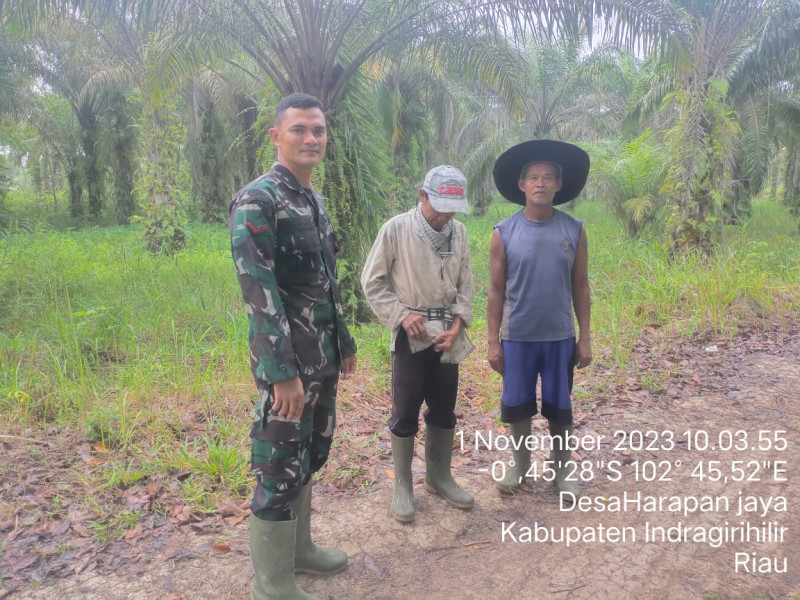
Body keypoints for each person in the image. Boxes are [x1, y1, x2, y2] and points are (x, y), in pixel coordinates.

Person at [229, 92, 357, 599]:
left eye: (319, 130)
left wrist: (344, 342)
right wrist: (282, 373)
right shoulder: (258, 200)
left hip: (321, 358)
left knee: (309, 456)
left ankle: (300, 552)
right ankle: (273, 586)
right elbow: (258, 293)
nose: (311, 139)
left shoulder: (312, 199)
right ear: (276, 135)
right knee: (278, 465)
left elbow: (325, 282)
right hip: (288, 367)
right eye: (300, 129)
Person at [361, 165, 475, 523]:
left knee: (444, 406)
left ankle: (439, 476)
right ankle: (403, 486)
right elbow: (373, 282)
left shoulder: (459, 232)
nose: (444, 215)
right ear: (422, 196)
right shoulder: (397, 229)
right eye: (438, 205)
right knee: (405, 408)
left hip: (446, 337)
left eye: (451, 209)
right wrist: (400, 315)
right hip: (409, 335)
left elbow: (467, 285)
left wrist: (457, 325)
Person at [487, 140, 592, 502]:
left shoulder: (574, 230)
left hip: (560, 336)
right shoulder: (504, 232)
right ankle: (520, 465)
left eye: (548, 177)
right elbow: (496, 290)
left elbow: (580, 285)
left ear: (559, 185)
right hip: (518, 337)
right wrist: (492, 341)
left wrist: (586, 337)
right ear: (521, 185)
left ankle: (562, 469)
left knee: (559, 407)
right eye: (533, 177)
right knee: (516, 404)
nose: (540, 183)